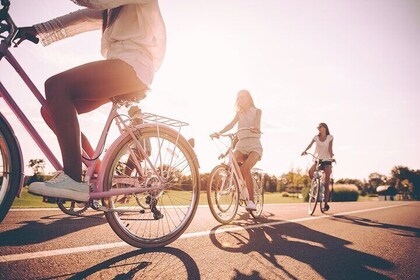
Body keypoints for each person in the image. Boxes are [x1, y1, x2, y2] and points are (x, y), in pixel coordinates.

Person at [20, 0, 166, 202]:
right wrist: (36, 29)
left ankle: (72, 178)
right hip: (120, 68)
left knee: (56, 86)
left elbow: (94, 2)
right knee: (50, 110)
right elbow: (82, 17)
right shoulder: (111, 9)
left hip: (133, 66)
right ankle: (96, 172)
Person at [211, 90, 263, 211]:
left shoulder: (257, 111)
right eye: (238, 98)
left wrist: (255, 128)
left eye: (242, 97)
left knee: (245, 168)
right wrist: (219, 132)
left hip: (254, 145)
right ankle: (239, 187)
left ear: (249, 98)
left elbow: (257, 123)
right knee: (232, 163)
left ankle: (251, 201)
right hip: (241, 145)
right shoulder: (239, 113)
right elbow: (230, 124)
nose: (240, 100)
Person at [301, 123, 334, 211]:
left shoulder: (330, 137)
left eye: (320, 127)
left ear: (325, 128)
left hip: (327, 160)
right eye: (318, 127)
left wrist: (332, 158)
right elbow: (310, 145)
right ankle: (317, 186)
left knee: (327, 183)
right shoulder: (316, 137)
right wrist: (305, 151)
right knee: (310, 171)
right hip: (318, 159)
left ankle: (325, 204)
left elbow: (330, 149)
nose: (318, 128)